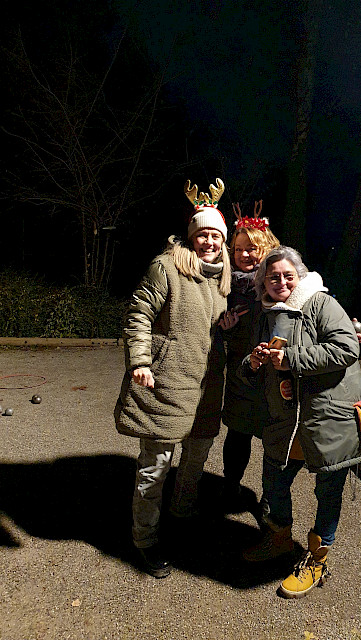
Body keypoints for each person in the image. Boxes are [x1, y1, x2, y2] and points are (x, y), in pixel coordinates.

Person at [240, 246, 361, 598]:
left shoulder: (321, 304)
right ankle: (279, 539)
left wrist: (291, 358)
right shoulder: (265, 313)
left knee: (328, 490)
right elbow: (255, 359)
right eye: (273, 277)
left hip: (327, 416)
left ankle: (317, 559)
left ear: (300, 276)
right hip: (285, 418)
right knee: (275, 480)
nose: (281, 282)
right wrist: (254, 362)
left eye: (288, 275)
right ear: (263, 282)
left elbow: (346, 348)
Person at [114, 178, 230, 579]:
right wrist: (140, 361)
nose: (209, 241)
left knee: (195, 459)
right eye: (203, 234)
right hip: (166, 381)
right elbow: (139, 314)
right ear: (192, 236)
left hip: (207, 385)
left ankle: (183, 515)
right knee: (155, 467)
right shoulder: (166, 267)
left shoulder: (223, 277)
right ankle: (145, 539)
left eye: (216, 235)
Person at [218, 201, 279, 508]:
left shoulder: (278, 282)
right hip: (242, 372)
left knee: (273, 440)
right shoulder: (224, 284)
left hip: (274, 373)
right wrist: (226, 329)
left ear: (265, 249)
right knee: (238, 434)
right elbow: (217, 334)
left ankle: (270, 500)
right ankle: (230, 486)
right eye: (238, 249)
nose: (244, 255)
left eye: (251, 249)